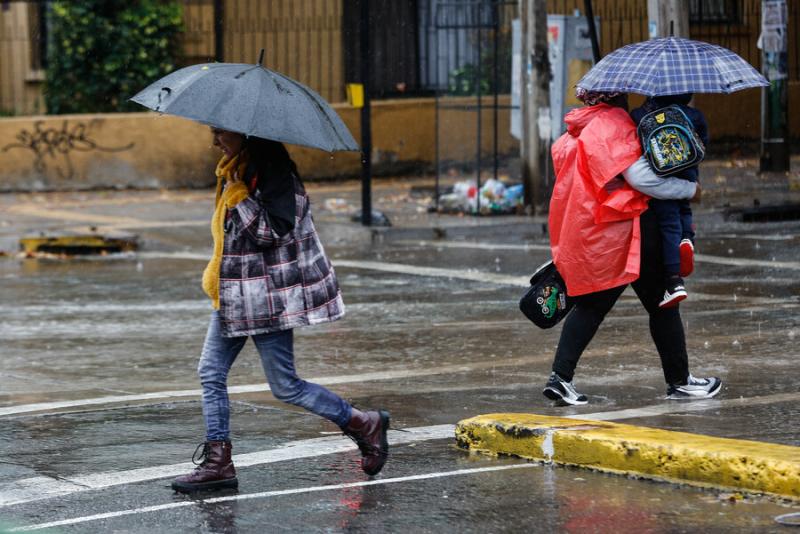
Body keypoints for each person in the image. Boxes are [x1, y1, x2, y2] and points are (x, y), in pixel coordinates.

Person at [172, 129, 390, 493]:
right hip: (236, 295)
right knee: (211, 372)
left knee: (285, 385)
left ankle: (362, 422)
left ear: (244, 132)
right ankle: (218, 462)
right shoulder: (237, 168)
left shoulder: (273, 171)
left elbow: (274, 232)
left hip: (265, 299)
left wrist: (240, 197)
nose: (215, 142)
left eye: (220, 134)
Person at [542, 88, 721, 406]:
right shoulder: (612, 123)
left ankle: (560, 378)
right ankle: (679, 382)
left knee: (595, 305)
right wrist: (688, 189)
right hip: (625, 230)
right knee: (662, 304)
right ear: (615, 96)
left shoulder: (576, 128)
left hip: (594, 228)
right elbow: (640, 178)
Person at [631, 93, 710, 308]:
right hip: (688, 172)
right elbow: (703, 144)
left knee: (668, 222)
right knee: (684, 209)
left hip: (662, 174)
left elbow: (638, 142)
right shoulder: (695, 114)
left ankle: (674, 280)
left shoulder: (640, 114)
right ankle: (687, 239)